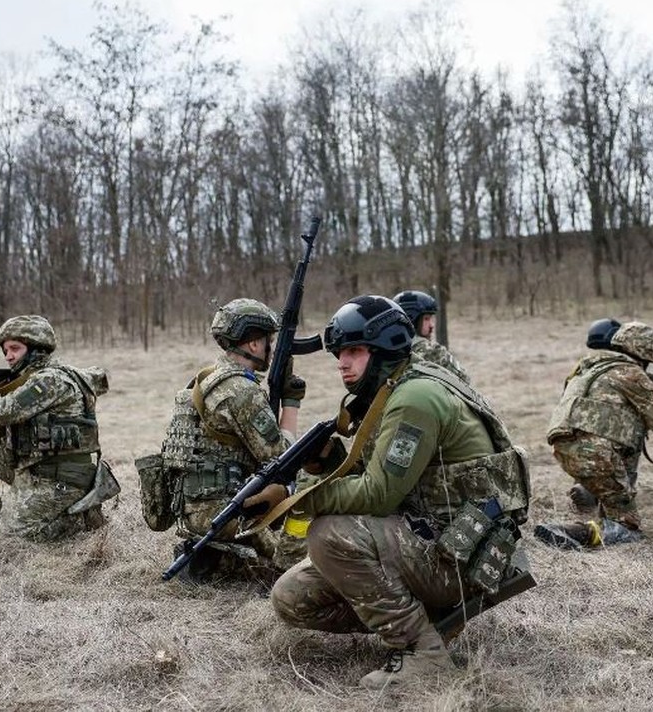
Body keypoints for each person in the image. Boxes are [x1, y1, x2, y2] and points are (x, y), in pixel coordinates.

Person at [269, 295, 531, 690]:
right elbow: (376, 471)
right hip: (431, 537)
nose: (342, 362)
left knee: (329, 534)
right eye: (340, 352)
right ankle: (422, 618)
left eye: (354, 351)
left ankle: (423, 652)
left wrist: (298, 499)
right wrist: (324, 464)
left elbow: (378, 494)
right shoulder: (392, 387)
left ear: (385, 347)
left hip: (459, 559)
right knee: (291, 596)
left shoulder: (415, 397)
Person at [136, 299, 308, 582]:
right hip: (225, 513)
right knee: (297, 560)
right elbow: (282, 459)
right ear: (254, 344)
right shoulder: (240, 390)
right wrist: (291, 402)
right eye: (269, 341)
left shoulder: (204, 380)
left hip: (192, 511)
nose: (272, 348)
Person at [0, 315, 118, 541]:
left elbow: (3, 411)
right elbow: (3, 429)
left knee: (9, 543)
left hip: (62, 480)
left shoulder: (51, 380)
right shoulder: (30, 379)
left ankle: (73, 519)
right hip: (33, 469)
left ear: (37, 349)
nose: (8, 356)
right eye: (5, 350)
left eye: (15, 348)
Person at [535, 320, 653, 550]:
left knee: (618, 448)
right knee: (627, 528)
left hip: (564, 449)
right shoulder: (631, 373)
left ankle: (591, 488)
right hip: (598, 457)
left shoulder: (587, 366)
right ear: (650, 351)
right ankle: (573, 532)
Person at [392, 289, 470, 382]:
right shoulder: (431, 350)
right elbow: (464, 379)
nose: (431, 325)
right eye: (426, 319)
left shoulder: (386, 348)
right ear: (412, 319)